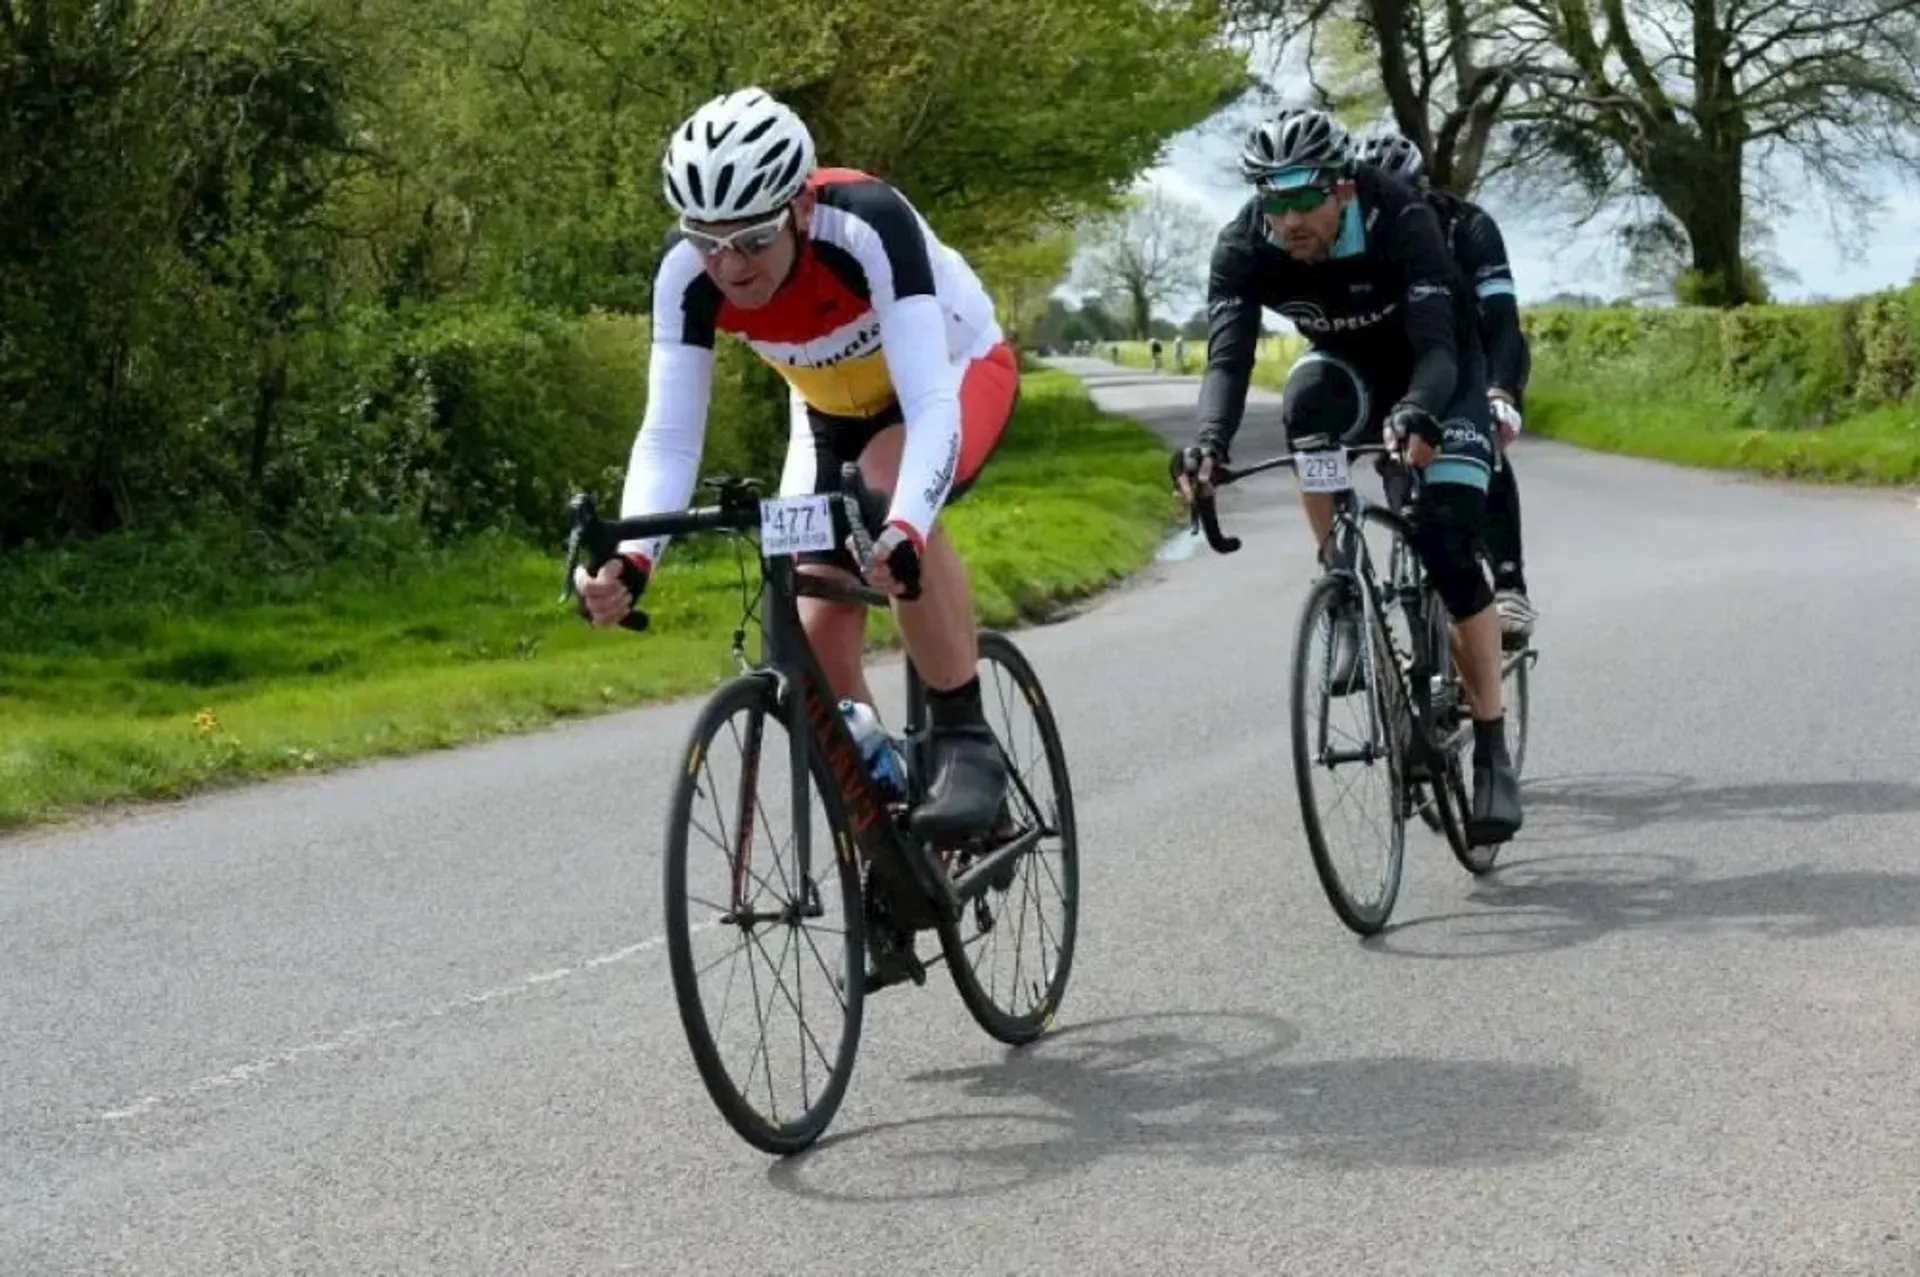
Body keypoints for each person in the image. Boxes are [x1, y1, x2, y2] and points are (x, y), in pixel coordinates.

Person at [573, 86, 1018, 842]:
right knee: (811, 628)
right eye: (706, 240)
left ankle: (966, 739)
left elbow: (929, 403)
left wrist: (906, 526)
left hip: (952, 375)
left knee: (885, 494)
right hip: (825, 415)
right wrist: (633, 559)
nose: (727, 264)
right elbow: (671, 437)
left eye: (750, 239)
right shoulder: (687, 275)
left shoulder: (869, 222)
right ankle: (886, 812)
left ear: (800, 211)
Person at [1169, 107, 1521, 845]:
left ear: (1343, 189)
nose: (1288, 218)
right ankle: (1344, 591)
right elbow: (1227, 361)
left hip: (1438, 371)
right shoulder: (1244, 243)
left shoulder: (1399, 213)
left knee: (1447, 542)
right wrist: (1206, 443)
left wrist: (1421, 411)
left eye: (1304, 199)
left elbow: (1438, 344)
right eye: (1273, 200)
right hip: (1352, 372)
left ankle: (1490, 744)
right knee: (1306, 404)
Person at [1356, 131, 1535, 646]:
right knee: (1403, 463)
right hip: (1409, 359)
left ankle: (1508, 584)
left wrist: (1502, 391)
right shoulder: (1361, 235)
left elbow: (1502, 320)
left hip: (1476, 352)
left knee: (1485, 432)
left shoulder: (1469, 226)